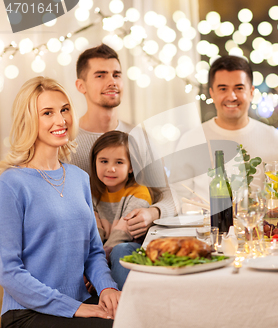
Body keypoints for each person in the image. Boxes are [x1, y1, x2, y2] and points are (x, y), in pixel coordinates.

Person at [0, 77, 120, 327]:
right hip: (27, 313)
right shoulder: (11, 183)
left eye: (64, 109)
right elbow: (8, 270)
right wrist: (74, 308)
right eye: (47, 113)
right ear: (29, 119)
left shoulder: (79, 178)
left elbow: (93, 253)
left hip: (80, 302)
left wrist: (107, 287)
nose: (60, 120)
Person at [72, 44, 177, 283]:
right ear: (81, 86)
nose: (112, 81)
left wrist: (153, 212)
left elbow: (169, 196)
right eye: (100, 75)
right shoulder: (67, 142)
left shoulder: (139, 138)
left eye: (116, 74)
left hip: (128, 249)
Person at [173, 55, 278, 205]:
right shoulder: (190, 140)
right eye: (223, 89)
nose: (231, 96)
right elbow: (177, 199)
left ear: (251, 92)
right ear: (212, 93)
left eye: (239, 88)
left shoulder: (275, 139)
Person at [90, 131, 157, 290]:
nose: (110, 168)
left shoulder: (139, 192)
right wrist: (90, 264)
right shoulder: (91, 192)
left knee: (121, 250)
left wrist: (99, 267)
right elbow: (94, 232)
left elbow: (123, 233)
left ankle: (122, 299)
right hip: (102, 254)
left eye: (119, 162)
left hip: (130, 248)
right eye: (104, 161)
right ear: (95, 163)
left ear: (131, 167)